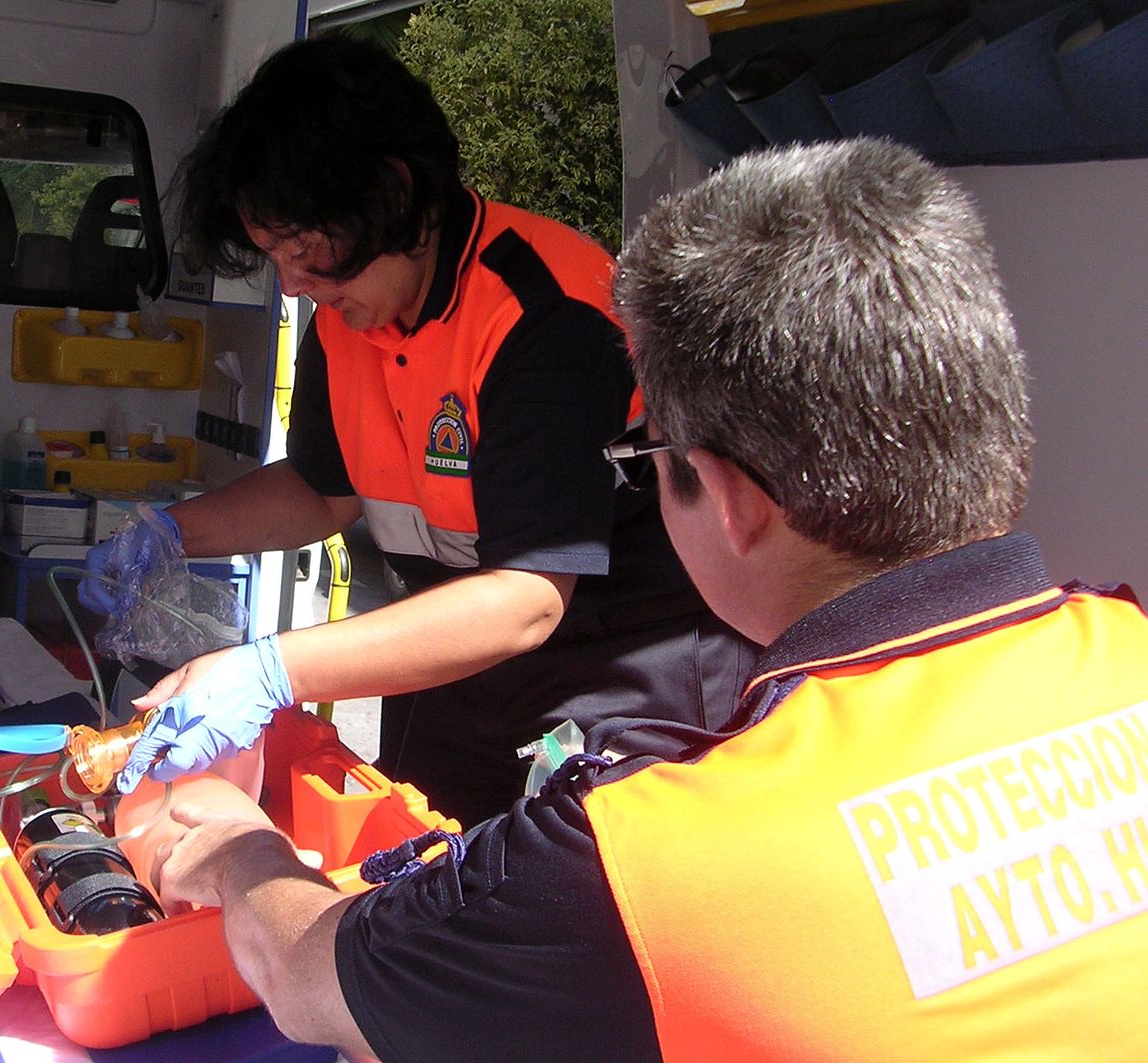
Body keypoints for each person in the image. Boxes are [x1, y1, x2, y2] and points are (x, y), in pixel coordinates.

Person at [146, 137, 1148, 1061]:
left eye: (643, 460)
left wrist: (242, 851)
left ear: (725, 497)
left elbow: (303, 973)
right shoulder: (1126, 643)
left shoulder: (644, 851)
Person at [82, 35, 752, 825]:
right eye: (274, 256)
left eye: (303, 249)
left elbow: (528, 599)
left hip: (611, 679)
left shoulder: (542, 315)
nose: (292, 283)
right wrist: (170, 531)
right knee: (416, 878)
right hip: (447, 661)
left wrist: (270, 669)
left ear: (396, 195)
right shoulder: (343, 319)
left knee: (561, 924)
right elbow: (322, 492)